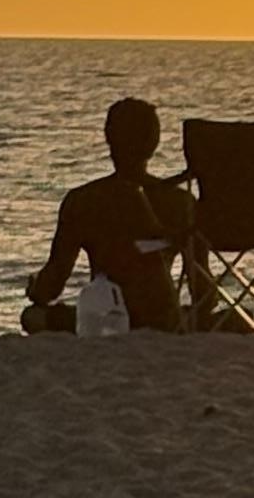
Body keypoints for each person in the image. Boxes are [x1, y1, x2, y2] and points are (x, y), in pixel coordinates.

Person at [25, 97, 197, 333]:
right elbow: (204, 291)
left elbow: (52, 285)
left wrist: (35, 289)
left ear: (108, 139)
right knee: (237, 318)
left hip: (104, 316)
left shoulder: (83, 200)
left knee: (32, 317)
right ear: (154, 143)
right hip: (164, 320)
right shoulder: (181, 202)